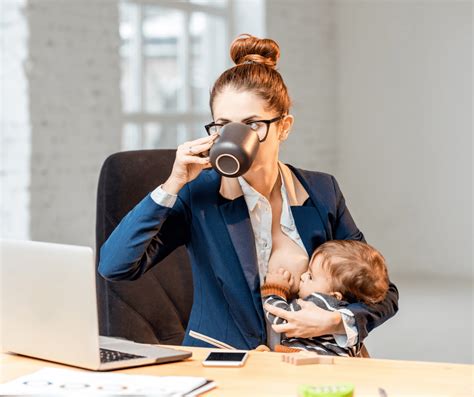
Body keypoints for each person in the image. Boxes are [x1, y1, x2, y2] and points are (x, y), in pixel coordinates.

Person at [98, 34, 399, 350]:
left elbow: (383, 292)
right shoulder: (198, 196)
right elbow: (115, 266)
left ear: (283, 126)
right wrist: (172, 184)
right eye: (224, 124)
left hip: (311, 363)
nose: (236, 136)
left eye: (252, 124)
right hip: (227, 363)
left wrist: (336, 320)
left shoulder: (321, 191)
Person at [261, 240, 389, 356]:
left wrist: (276, 289)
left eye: (311, 276)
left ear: (334, 296)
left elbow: (281, 319)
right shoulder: (346, 310)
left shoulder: (319, 303)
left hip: (308, 363)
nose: (303, 276)